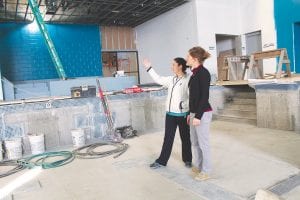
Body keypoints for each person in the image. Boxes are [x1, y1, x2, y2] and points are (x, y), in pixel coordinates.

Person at [143, 57, 192, 169]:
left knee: (185, 138)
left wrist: (184, 106)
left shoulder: (188, 79)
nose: (171, 67)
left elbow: (192, 97)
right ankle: (162, 161)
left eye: (173, 64)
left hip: (183, 114)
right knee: (168, 138)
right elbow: (158, 79)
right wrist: (149, 68)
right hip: (170, 115)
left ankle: (188, 159)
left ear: (180, 66)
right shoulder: (171, 79)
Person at [186, 46, 213, 181]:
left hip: (202, 113)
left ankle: (206, 171)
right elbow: (192, 97)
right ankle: (199, 165)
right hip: (193, 113)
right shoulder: (194, 73)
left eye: (188, 57)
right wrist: (189, 114)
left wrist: (198, 116)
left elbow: (204, 97)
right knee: (195, 143)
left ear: (195, 59)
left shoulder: (203, 73)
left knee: (204, 144)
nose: (186, 58)